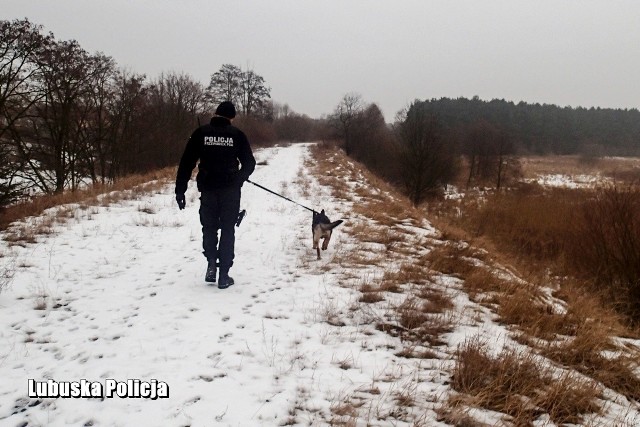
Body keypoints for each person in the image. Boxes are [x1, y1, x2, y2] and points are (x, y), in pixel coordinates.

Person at [175, 101, 256, 289]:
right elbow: (249, 163)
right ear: (232, 117)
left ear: (216, 113)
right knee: (228, 229)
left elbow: (186, 162)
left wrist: (180, 189)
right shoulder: (237, 135)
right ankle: (224, 275)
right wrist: (239, 178)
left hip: (208, 189)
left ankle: (211, 264)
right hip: (230, 191)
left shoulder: (201, 133)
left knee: (209, 228)